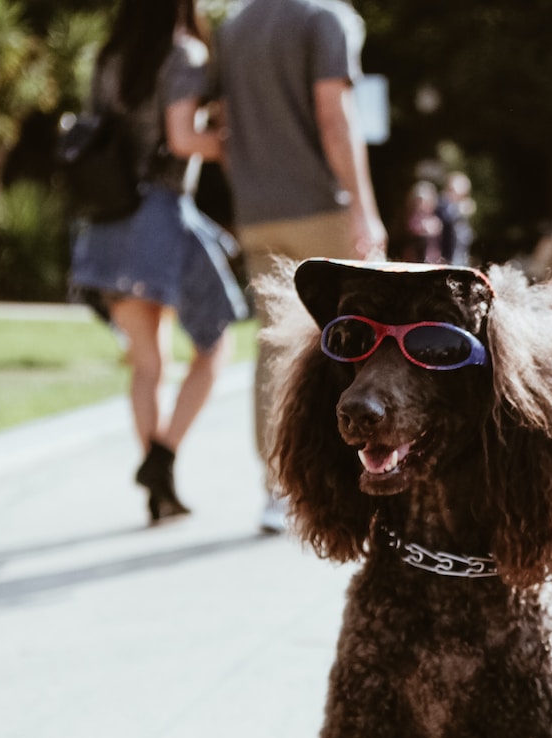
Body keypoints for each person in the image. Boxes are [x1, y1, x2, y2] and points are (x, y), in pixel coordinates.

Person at [69, 0, 247, 525]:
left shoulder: (110, 54)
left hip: (107, 218)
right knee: (214, 346)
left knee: (148, 364)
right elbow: (181, 138)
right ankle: (163, 458)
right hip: (161, 217)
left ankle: (159, 487)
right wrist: (232, 141)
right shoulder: (184, 54)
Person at [212, 0, 386, 533]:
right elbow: (335, 118)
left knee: (275, 344)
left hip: (256, 213)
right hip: (320, 206)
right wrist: (365, 207)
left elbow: (221, 122)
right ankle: (358, 478)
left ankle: (277, 490)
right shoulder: (326, 18)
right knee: (355, 337)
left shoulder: (234, 26)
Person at [396, 180, 445, 263]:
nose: (425, 204)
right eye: (421, 201)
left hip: (433, 260)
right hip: (415, 261)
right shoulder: (412, 219)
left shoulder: (435, 219)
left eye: (428, 201)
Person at [436, 172, 475, 268]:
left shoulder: (463, 207)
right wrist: (458, 210)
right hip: (444, 256)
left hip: (460, 256)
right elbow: (447, 219)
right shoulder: (442, 204)